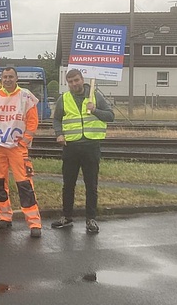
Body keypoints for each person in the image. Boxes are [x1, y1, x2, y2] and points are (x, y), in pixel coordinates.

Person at [51, 69, 114, 234]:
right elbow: (57, 119)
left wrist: (94, 111)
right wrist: (59, 134)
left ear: (82, 79)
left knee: (91, 185)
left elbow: (110, 116)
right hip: (70, 147)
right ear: (67, 83)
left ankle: (91, 219)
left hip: (91, 147)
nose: (74, 84)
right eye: (70, 81)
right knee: (68, 184)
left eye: (76, 80)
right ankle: (66, 217)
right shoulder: (63, 99)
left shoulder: (95, 96)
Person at [0, 67, 42, 238]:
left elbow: (33, 122)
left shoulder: (25, 96)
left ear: (17, 78)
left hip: (17, 149)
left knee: (24, 185)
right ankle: (4, 217)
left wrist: (24, 141)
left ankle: (34, 223)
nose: (8, 79)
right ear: (1, 78)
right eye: (5, 77)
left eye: (11, 77)